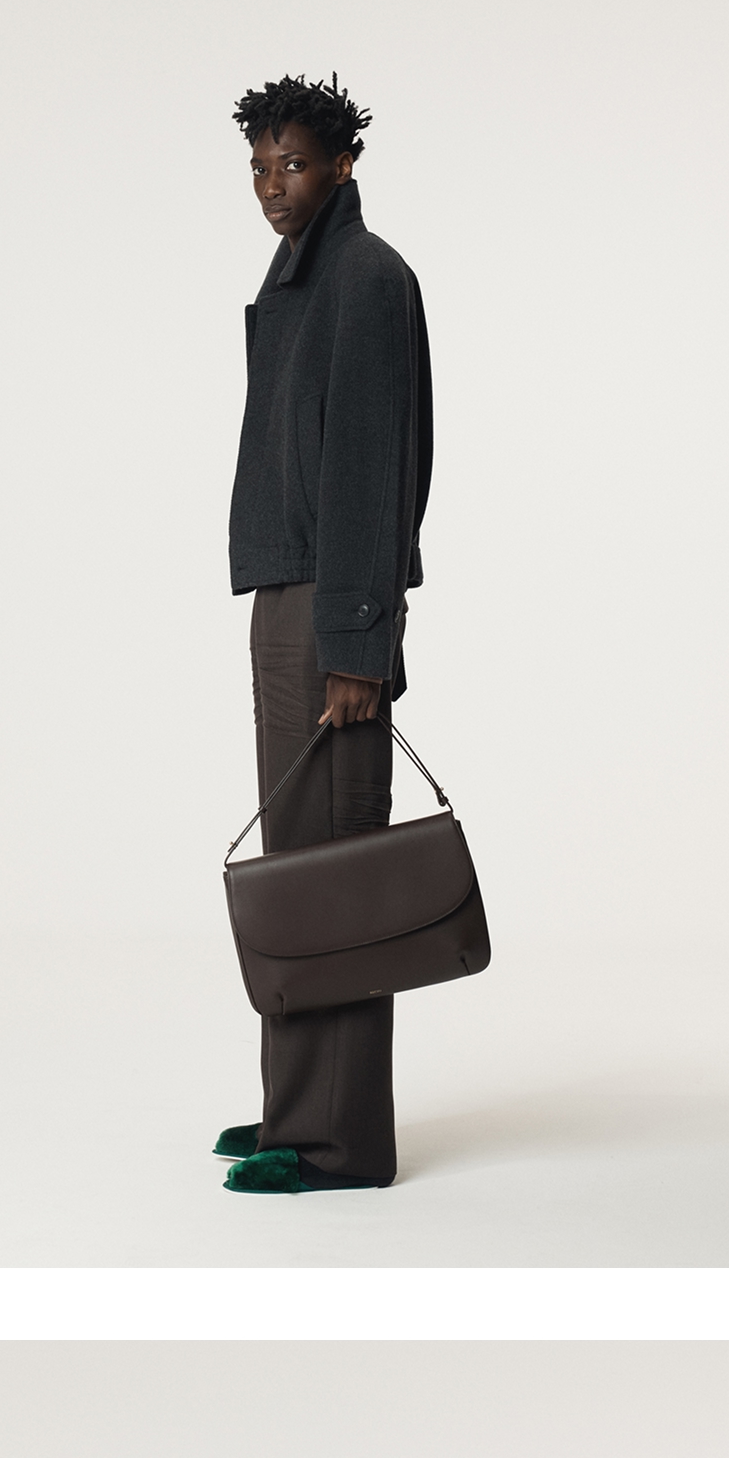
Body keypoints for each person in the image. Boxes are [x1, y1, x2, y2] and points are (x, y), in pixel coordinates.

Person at [221, 68, 431, 1199]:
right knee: (295, 866)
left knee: (335, 872)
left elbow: (370, 475)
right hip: (289, 595)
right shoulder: (300, 275)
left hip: (332, 612)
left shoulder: (366, 278)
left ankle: (339, 1140)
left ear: (344, 163)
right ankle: (295, 1108)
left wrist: (358, 644)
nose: (273, 184)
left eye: (294, 163)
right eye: (260, 166)